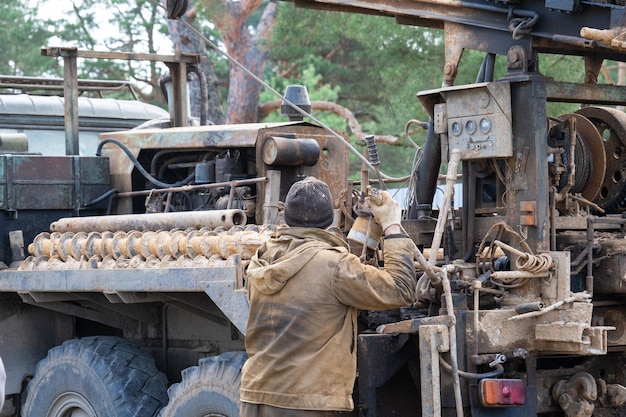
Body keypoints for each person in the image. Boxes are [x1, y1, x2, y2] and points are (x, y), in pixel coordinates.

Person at [241, 176, 417, 417]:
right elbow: (401, 288)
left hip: (256, 397)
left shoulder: (261, 259)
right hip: (307, 403)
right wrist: (391, 225)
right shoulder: (334, 266)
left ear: (286, 216)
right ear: (329, 219)